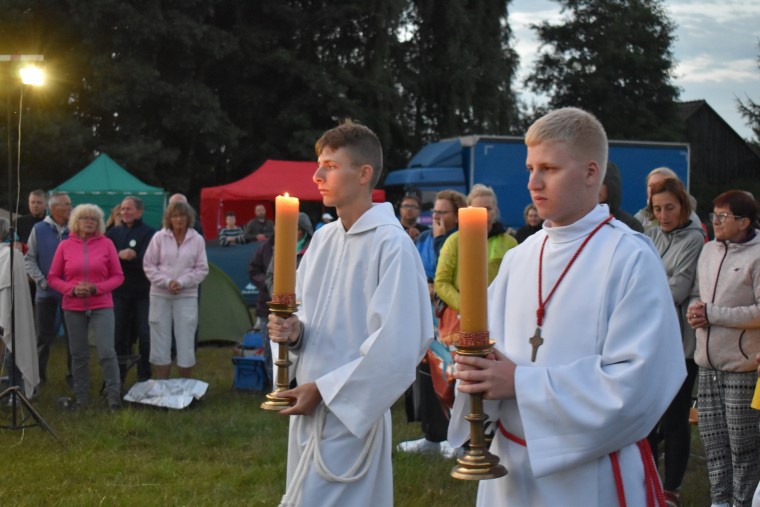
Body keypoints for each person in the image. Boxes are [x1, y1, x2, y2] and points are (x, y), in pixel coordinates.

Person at [449, 107, 686, 506]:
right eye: (529, 168)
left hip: (588, 476)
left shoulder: (629, 257)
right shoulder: (519, 258)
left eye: (549, 169)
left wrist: (520, 383)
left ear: (592, 173)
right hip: (509, 469)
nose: (533, 183)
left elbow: (640, 384)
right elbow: (496, 352)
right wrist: (478, 372)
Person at [268, 120, 433, 506]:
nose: (317, 175)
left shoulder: (391, 245)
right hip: (309, 403)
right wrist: (294, 332)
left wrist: (324, 391)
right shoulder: (324, 238)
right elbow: (311, 316)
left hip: (349, 412)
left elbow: (397, 345)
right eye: (319, 164)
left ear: (363, 174)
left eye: (330, 165)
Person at [688, 190, 760, 507]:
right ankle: (719, 501)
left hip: (742, 367)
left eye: (723, 216)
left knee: (742, 445)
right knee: (714, 442)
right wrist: (695, 310)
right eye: (713, 215)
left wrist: (713, 315)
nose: (715, 221)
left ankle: (742, 502)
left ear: (744, 222)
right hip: (707, 364)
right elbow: (697, 294)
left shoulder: (757, 256)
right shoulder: (707, 252)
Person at [645, 177, 705, 505]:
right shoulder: (650, 236)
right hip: (650, 342)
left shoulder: (694, 239)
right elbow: (635, 280)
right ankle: (649, 481)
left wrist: (647, 288)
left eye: (670, 207)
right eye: (658, 209)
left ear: (683, 206)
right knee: (648, 417)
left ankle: (671, 489)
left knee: (675, 418)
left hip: (680, 344)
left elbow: (677, 291)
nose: (664, 214)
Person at [397, 189, 468, 458]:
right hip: (424, 313)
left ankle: (456, 435)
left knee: (449, 376)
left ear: (458, 214)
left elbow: (447, 273)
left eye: (442, 212)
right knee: (424, 374)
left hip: (449, 317)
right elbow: (412, 267)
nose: (436, 216)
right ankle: (432, 434)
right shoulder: (424, 238)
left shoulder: (462, 239)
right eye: (434, 211)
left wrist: (440, 241)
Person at [46, 204, 124, 410]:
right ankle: (81, 398)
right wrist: (71, 289)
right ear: (75, 222)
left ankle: (113, 398)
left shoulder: (107, 244)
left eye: (93, 219)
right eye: (85, 218)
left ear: (99, 223)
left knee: (107, 351)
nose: (89, 222)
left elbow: (118, 276)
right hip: (73, 306)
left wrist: (96, 288)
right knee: (78, 354)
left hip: (102, 304)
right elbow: (53, 277)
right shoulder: (64, 246)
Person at [434, 184, 517, 324]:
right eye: (477, 209)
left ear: (495, 210)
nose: (483, 213)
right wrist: (465, 306)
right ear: (467, 211)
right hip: (461, 319)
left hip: (499, 317)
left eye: (488, 208)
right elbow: (441, 282)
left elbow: (516, 282)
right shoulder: (454, 241)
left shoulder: (510, 243)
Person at [143, 201, 208, 379]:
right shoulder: (159, 237)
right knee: (159, 335)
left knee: (186, 336)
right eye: (174, 216)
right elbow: (149, 265)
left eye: (182, 215)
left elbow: (202, 268)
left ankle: (184, 385)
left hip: (186, 294)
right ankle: (162, 383)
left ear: (189, 218)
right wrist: (166, 282)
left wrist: (182, 282)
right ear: (169, 219)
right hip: (160, 294)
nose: (178, 219)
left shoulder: (197, 240)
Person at [106, 196, 156, 383]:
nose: (125, 212)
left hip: (143, 293)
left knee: (145, 335)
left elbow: (146, 261)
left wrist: (130, 259)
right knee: (119, 335)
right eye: (123, 209)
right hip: (119, 293)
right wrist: (120, 256)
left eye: (129, 209)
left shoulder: (149, 233)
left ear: (139, 212)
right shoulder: (112, 234)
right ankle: (118, 376)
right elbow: (106, 260)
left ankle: (144, 376)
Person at [25, 191, 72, 386]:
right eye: (66, 205)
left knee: (73, 339)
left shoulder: (76, 229)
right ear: (54, 209)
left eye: (70, 204)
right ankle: (38, 379)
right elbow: (29, 259)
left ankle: (74, 378)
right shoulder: (39, 229)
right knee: (43, 339)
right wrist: (42, 282)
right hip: (45, 293)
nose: (70, 208)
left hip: (71, 295)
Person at [0, 217, 39, 399]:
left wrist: (17, 249)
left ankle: (14, 391)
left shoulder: (10, 253)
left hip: (7, 306)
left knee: (12, 348)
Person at [600, 162, 644, 233]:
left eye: (601, 182)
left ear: (612, 186)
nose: (596, 187)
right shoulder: (583, 221)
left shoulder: (631, 225)